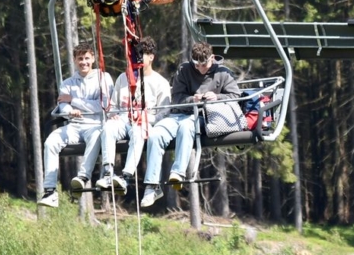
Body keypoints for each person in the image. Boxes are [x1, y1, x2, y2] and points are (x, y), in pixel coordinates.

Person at [140, 42, 241, 207]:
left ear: (212, 58)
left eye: (204, 64)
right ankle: (152, 186)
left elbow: (235, 95)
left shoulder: (223, 73)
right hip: (179, 114)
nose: (201, 69)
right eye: (197, 65)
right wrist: (192, 99)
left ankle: (178, 172)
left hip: (203, 116)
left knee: (187, 126)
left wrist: (217, 97)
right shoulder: (184, 70)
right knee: (156, 134)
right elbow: (177, 98)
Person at [77, 38, 171, 195]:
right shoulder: (123, 78)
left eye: (143, 55)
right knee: (108, 127)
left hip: (144, 120)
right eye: (136, 55)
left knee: (138, 132)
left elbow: (165, 111)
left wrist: (148, 119)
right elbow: (113, 105)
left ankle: (127, 175)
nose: (139, 58)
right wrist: (113, 114)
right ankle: (108, 172)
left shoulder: (160, 82)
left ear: (151, 57)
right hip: (123, 118)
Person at [39, 41, 114, 208]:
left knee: (96, 136)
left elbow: (103, 106)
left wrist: (74, 101)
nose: (84, 62)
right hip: (74, 125)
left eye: (87, 58)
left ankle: (83, 176)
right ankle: (50, 190)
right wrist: (69, 110)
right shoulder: (68, 83)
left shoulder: (104, 77)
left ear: (93, 58)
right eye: (80, 59)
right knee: (51, 142)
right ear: (75, 60)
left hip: (95, 123)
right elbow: (62, 104)